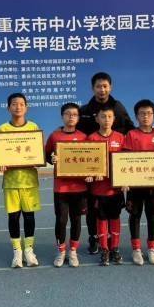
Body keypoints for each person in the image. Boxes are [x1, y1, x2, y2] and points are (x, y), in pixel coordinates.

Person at [79, 72, 134, 254]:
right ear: (92, 88)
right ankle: (94, 238)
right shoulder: (85, 110)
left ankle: (111, 242)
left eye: (105, 86)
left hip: (115, 172)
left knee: (113, 211)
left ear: (110, 87)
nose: (102, 90)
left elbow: (130, 131)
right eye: (98, 86)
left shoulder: (118, 107)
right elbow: (77, 139)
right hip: (92, 172)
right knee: (92, 209)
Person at [0, 93, 42, 268]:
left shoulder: (33, 127)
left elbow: (38, 152)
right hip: (11, 182)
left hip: (29, 181)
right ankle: (17, 251)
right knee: (13, 217)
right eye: (14, 104)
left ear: (26, 107)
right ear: (8, 107)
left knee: (29, 217)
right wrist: (0, 163)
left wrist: (38, 159)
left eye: (21, 104)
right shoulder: (2, 129)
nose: (18, 107)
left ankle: (29, 250)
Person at [45, 103, 87, 268]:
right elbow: (46, 155)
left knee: (76, 220)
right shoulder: (55, 136)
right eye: (68, 114)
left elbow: (91, 159)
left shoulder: (84, 137)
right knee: (61, 220)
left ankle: (73, 251)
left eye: (74, 114)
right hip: (61, 188)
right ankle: (61, 251)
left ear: (78, 118)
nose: (71, 117)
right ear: (62, 116)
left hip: (80, 187)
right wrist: (52, 159)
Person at [123, 99, 154, 266]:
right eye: (142, 114)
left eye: (149, 113)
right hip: (134, 185)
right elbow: (125, 159)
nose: (145, 116)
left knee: (152, 216)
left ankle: (152, 249)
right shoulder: (131, 135)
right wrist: (125, 180)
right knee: (135, 215)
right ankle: (136, 249)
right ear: (136, 116)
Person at [87, 106, 125, 266]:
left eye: (110, 116)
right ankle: (104, 249)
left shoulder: (121, 138)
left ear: (114, 119)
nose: (106, 120)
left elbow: (126, 162)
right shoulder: (91, 138)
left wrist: (126, 180)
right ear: (97, 119)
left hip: (116, 189)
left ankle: (115, 248)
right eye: (103, 116)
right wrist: (89, 173)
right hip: (98, 190)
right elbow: (87, 161)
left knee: (115, 219)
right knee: (101, 219)